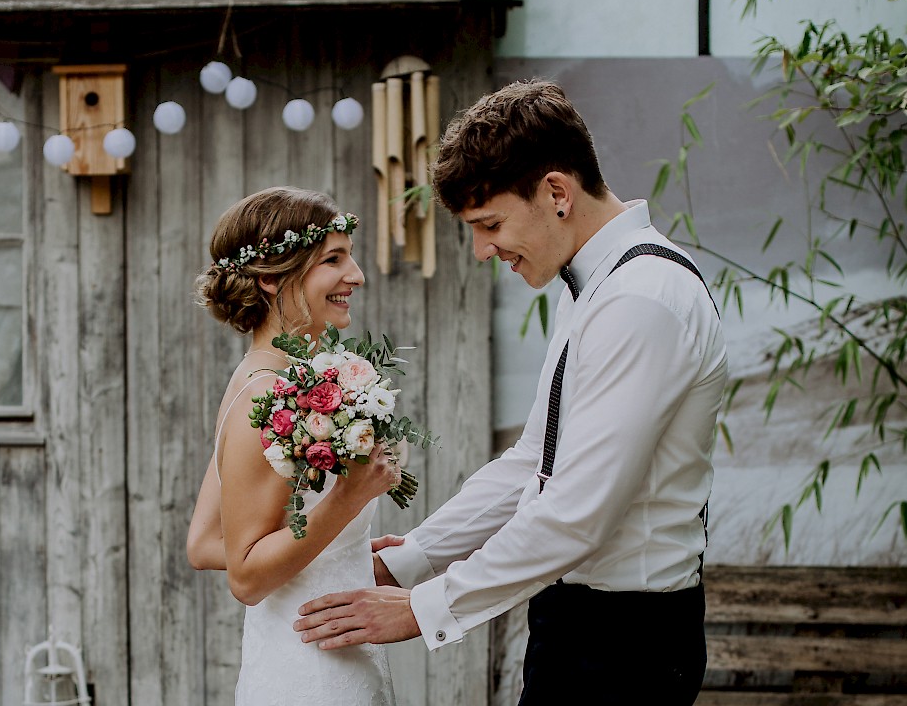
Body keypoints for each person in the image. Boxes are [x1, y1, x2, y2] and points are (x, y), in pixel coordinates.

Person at [293, 80, 728, 706]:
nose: (481, 250)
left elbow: (577, 512)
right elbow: (535, 462)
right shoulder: (600, 286)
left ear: (557, 193)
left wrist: (422, 607)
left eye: (490, 224)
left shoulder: (641, 298)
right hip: (581, 624)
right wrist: (412, 557)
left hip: (625, 643)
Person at [189, 185, 400, 706]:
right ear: (270, 277)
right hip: (310, 673)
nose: (357, 275)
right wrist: (346, 501)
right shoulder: (265, 396)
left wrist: (340, 547)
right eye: (334, 259)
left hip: (329, 653)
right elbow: (245, 577)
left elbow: (206, 542)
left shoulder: (270, 380)